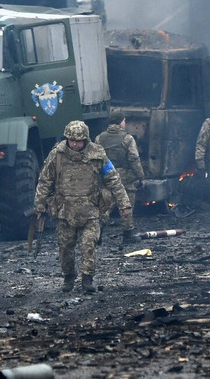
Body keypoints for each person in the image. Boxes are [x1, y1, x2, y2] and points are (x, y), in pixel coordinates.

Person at [34, 120, 132, 294]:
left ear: (85, 140)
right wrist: (40, 206)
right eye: (71, 140)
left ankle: (87, 279)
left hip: (90, 209)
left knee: (89, 245)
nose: (74, 144)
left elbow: (113, 180)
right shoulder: (57, 154)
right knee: (65, 247)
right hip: (65, 210)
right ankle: (68, 277)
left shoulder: (97, 154)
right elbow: (45, 181)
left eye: (78, 141)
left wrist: (124, 204)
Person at [94, 108, 145, 243]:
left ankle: (97, 233)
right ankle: (128, 235)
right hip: (125, 176)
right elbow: (134, 159)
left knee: (106, 204)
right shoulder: (127, 139)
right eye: (123, 121)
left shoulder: (99, 138)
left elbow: (95, 158)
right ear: (121, 122)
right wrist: (141, 177)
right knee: (126, 204)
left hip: (106, 175)